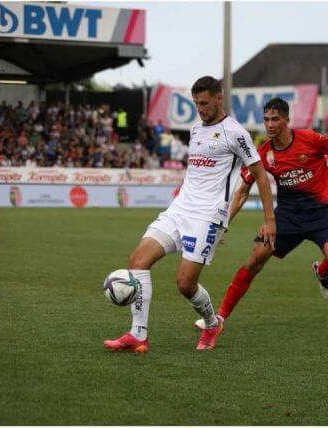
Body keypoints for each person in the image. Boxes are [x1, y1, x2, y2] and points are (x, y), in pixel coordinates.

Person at [103, 76, 276, 353]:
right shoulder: (195, 129)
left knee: (185, 284)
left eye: (205, 103)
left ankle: (211, 324)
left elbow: (260, 176)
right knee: (138, 261)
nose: (200, 109)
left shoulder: (236, 133)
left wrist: (269, 220)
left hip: (207, 216)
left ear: (219, 98)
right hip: (180, 209)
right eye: (196, 104)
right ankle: (138, 334)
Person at [194, 97, 328, 329]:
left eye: (275, 119)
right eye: (266, 119)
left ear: (287, 119)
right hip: (286, 215)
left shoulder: (310, 139)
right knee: (256, 259)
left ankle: (322, 272)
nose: (270, 124)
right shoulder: (263, 153)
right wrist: (222, 224)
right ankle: (220, 318)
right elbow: (243, 191)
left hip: (320, 213)